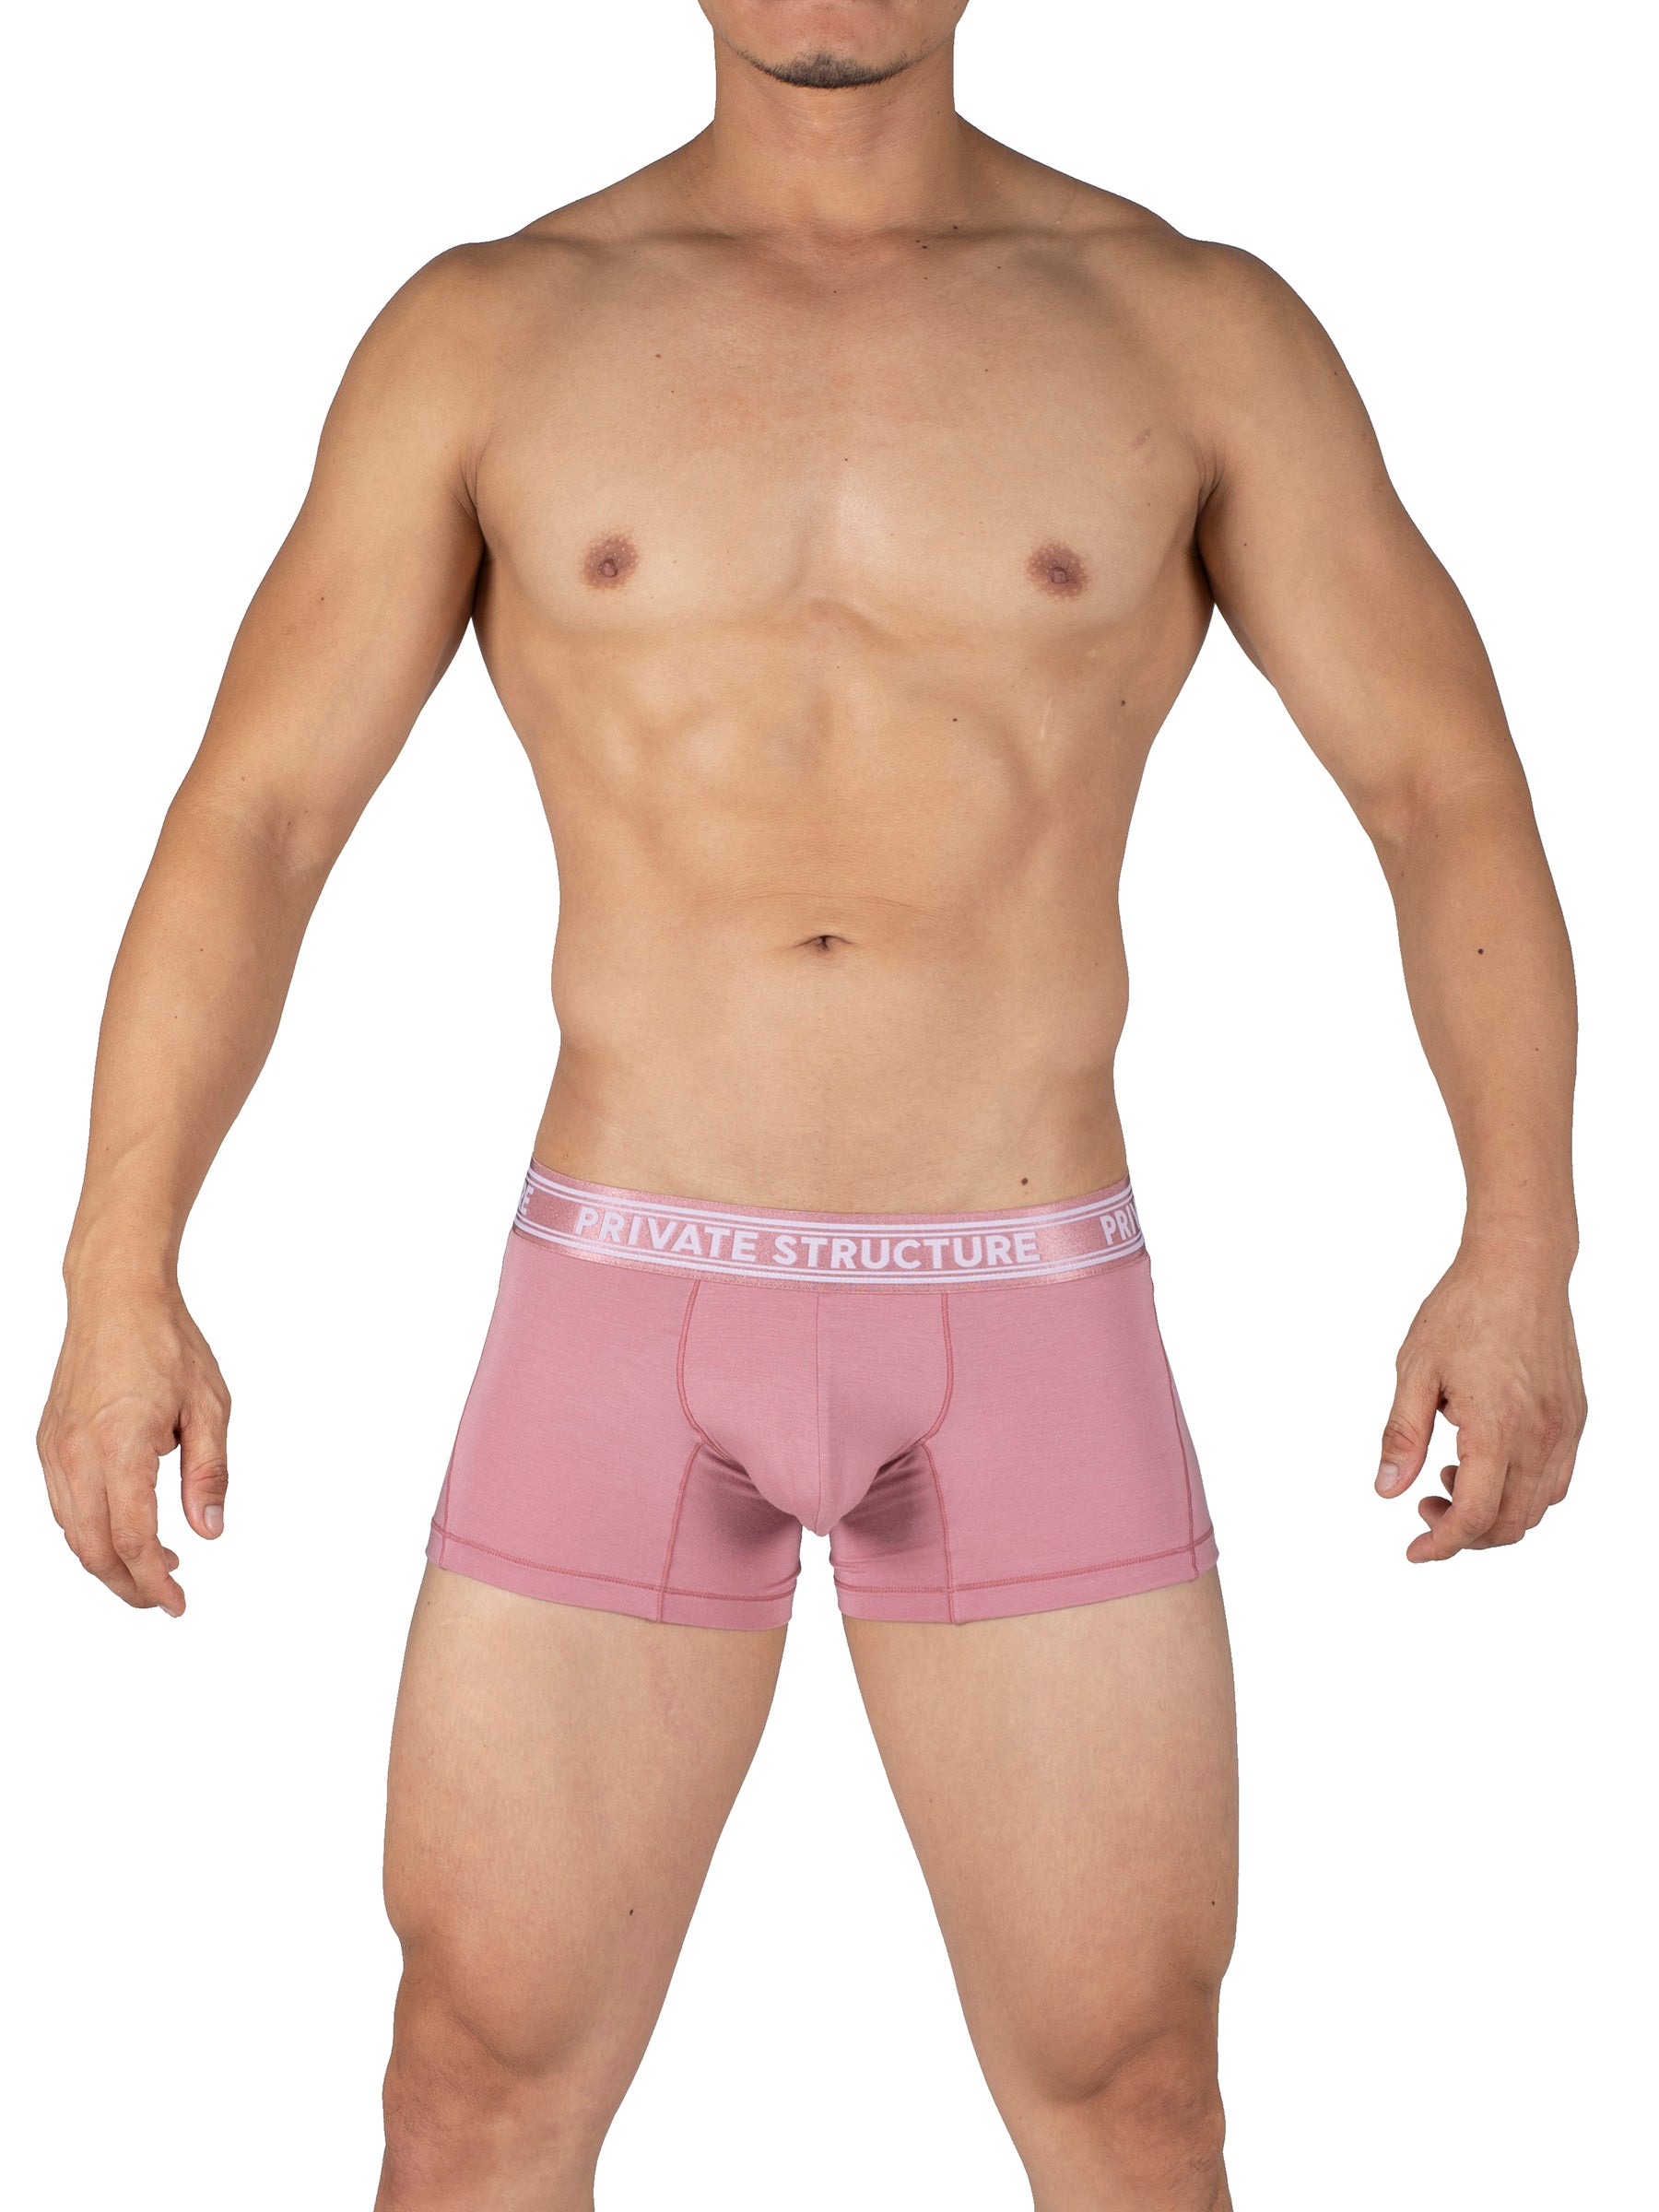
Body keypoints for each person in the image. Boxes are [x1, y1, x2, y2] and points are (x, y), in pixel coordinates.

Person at [36, 3, 1586, 2206]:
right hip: (626, 1292)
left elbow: (1444, 792)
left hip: (1025, 1296)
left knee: (1134, 2097)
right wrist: (117, 1269)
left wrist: (1520, 1243)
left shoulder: (1190, 329)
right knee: (471, 2086)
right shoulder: (490, 331)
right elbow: (259, 819)